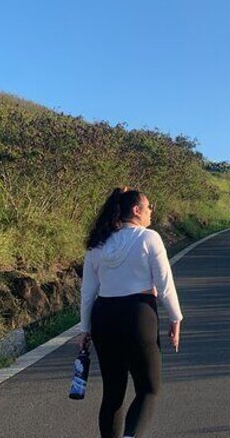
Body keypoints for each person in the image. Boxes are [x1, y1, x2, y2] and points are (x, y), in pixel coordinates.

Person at [80, 187, 183, 438]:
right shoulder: (149, 238)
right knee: (149, 389)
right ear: (136, 211)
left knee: (113, 392)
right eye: (148, 207)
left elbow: (87, 291)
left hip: (104, 316)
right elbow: (164, 284)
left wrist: (84, 329)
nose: (151, 212)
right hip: (138, 315)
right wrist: (176, 317)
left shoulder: (98, 244)